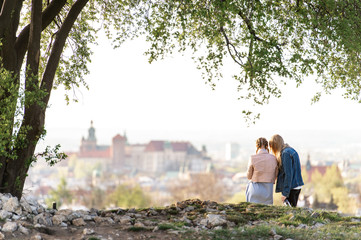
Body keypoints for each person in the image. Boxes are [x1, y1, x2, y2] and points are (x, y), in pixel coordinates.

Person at [269, 134, 304, 207]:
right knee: (293, 209)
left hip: (291, 187)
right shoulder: (291, 150)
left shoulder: (285, 154)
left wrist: (285, 193)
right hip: (297, 185)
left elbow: (288, 174)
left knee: (290, 212)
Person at [245, 137, 278, 205]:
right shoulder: (273, 158)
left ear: (257, 146)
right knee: (267, 212)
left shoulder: (252, 158)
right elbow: (276, 175)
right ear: (267, 146)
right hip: (268, 191)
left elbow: (249, 176)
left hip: (254, 190)